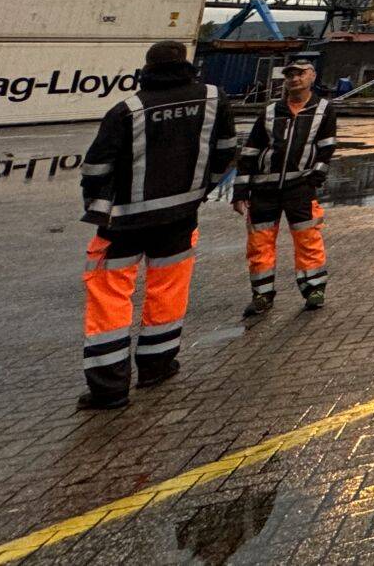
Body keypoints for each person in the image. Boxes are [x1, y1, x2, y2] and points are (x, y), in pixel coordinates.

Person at [78, 39, 236, 410]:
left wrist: (99, 209)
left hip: (123, 223)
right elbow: (227, 152)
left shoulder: (127, 110)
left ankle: (109, 388)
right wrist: (199, 192)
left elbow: (95, 169)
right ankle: (157, 367)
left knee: (109, 300)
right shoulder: (214, 100)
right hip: (181, 217)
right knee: (168, 293)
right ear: (186, 64)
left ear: (147, 67)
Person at [234, 52, 338, 318]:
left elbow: (326, 148)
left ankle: (314, 289)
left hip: (299, 187)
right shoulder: (270, 112)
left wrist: (315, 178)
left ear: (312, 76)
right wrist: (240, 191)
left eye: (300, 73)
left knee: (308, 238)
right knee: (259, 243)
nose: (294, 78)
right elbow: (250, 152)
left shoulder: (323, 110)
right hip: (264, 189)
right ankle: (262, 295)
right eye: (290, 74)